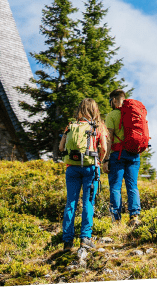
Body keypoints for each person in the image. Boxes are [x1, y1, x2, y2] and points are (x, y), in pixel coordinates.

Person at [58, 98, 108, 251]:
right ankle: (85, 238)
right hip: (90, 167)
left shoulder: (71, 126)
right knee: (88, 202)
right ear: (94, 110)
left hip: (72, 168)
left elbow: (61, 148)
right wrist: (98, 160)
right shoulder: (98, 126)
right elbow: (104, 149)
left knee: (71, 203)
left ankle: (67, 241)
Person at [102, 89, 142, 226]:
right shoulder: (133, 113)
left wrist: (106, 159)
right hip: (134, 154)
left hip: (117, 155)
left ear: (113, 100)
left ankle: (116, 219)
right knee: (132, 186)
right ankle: (135, 216)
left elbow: (109, 138)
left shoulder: (111, 115)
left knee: (115, 187)